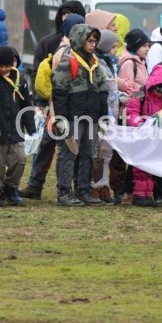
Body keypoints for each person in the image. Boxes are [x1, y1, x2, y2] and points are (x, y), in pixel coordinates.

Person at [20, 13, 86, 200]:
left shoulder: (68, 49)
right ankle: (61, 189)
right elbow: (58, 85)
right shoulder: (65, 52)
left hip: (58, 108)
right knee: (64, 147)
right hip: (60, 108)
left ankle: (39, 184)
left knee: (53, 144)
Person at [51, 24, 109, 206]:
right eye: (89, 41)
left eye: (95, 41)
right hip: (72, 116)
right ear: (79, 41)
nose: (93, 44)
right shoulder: (68, 62)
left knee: (87, 154)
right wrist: (61, 119)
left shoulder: (95, 63)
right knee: (68, 153)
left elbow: (102, 91)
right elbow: (58, 93)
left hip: (91, 116)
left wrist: (103, 116)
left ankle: (83, 190)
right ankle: (63, 192)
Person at [0, 45, 35, 206]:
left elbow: (26, 104)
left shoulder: (20, 80)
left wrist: (30, 126)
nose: (4, 69)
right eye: (1, 66)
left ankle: (11, 187)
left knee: (19, 159)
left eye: (8, 66)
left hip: (15, 130)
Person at [125, 64, 162, 207]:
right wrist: (139, 123)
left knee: (152, 165)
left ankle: (148, 194)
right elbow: (131, 111)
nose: (159, 94)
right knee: (140, 167)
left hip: (156, 136)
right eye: (158, 90)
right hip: (141, 134)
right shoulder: (139, 92)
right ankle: (140, 195)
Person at [112, 28, 150, 202]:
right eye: (143, 45)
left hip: (139, 113)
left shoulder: (142, 62)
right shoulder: (130, 64)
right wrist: (142, 96)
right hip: (128, 114)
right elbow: (128, 90)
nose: (147, 49)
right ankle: (119, 189)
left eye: (148, 45)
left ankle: (129, 188)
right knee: (123, 153)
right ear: (135, 46)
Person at [90, 30, 120, 204]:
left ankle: (104, 184)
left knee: (107, 151)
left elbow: (112, 90)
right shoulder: (98, 64)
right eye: (113, 47)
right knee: (97, 151)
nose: (115, 51)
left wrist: (121, 96)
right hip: (102, 114)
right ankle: (94, 185)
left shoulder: (111, 64)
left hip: (112, 115)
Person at [32, 0, 86, 71]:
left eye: (70, 14)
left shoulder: (88, 43)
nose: (65, 17)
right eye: (63, 14)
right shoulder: (48, 42)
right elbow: (37, 73)